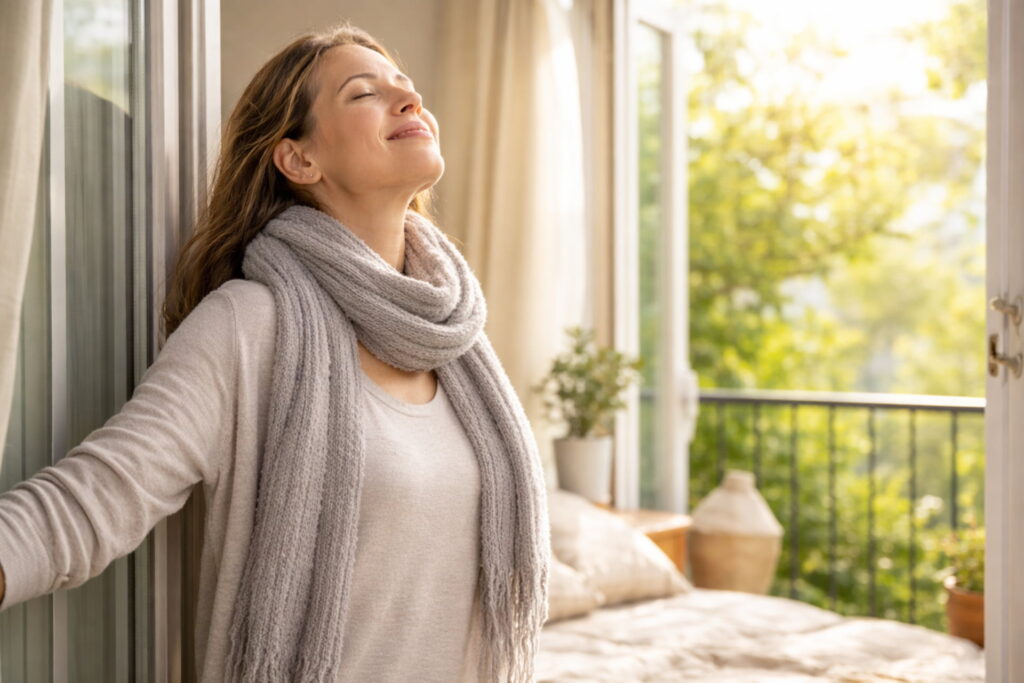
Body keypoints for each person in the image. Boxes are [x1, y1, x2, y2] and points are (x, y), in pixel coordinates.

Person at [0, 20, 551, 683]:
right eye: (364, 93)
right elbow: (93, 501)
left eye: (406, 88)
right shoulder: (248, 324)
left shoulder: (456, 335)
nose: (409, 101)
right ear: (298, 159)